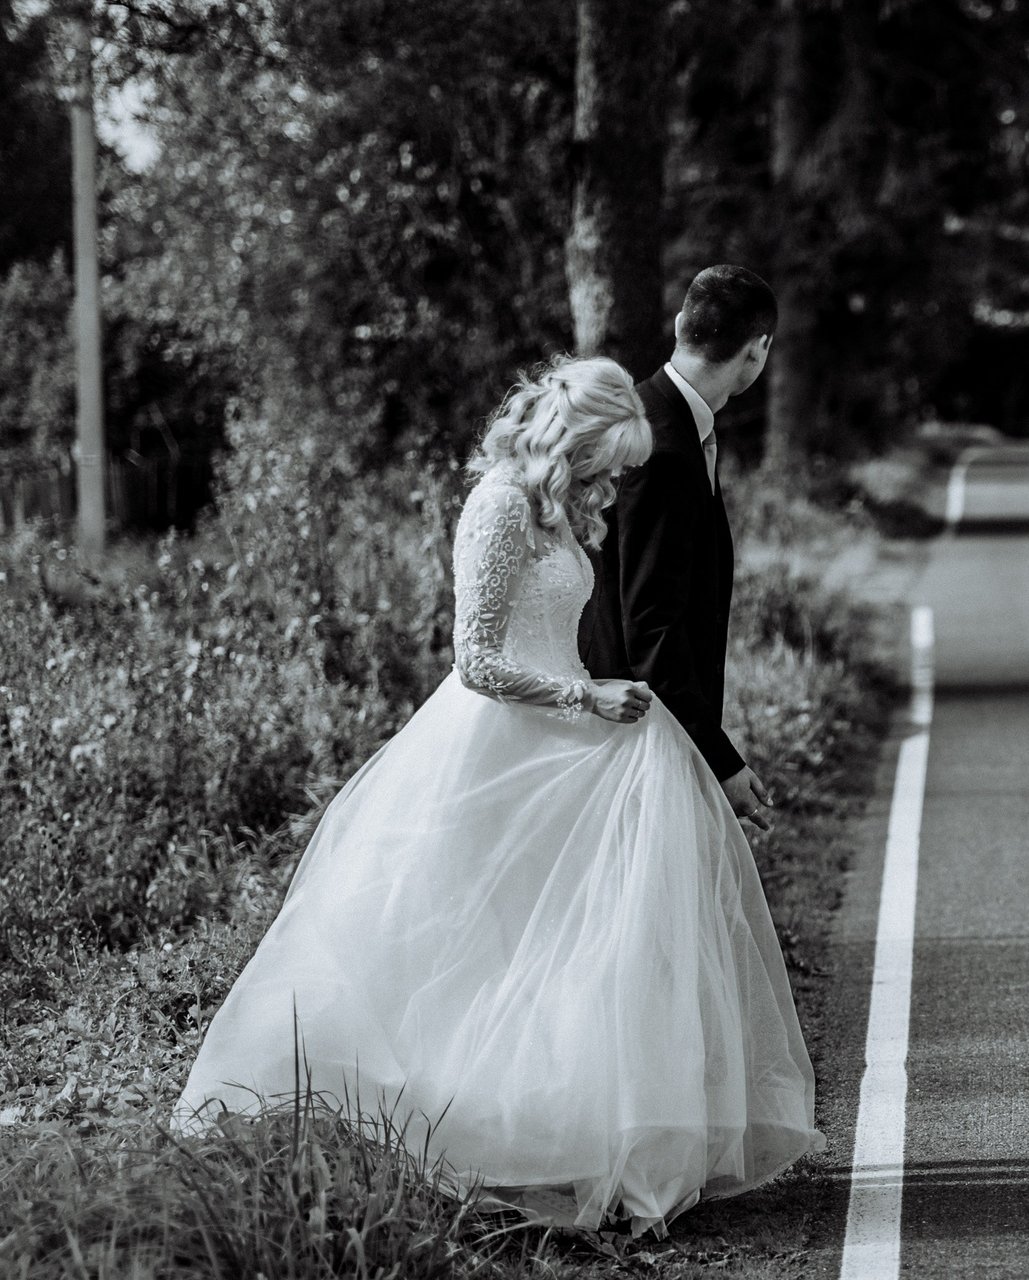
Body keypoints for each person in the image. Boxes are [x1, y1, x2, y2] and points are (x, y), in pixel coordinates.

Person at [176, 356, 826, 1236]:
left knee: (569, 946)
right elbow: (474, 661)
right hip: (499, 745)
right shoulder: (497, 506)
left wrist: (593, 697)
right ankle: (452, 1129)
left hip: (565, 736)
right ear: (575, 438)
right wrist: (582, 696)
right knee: (471, 946)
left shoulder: (557, 512)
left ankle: (569, 1130)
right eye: (608, 459)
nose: (613, 479)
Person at [580, 266, 776, 834]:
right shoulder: (660, 445)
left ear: (679, 324)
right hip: (637, 732)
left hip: (646, 717)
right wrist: (720, 762)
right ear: (758, 350)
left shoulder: (662, 416)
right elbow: (652, 626)